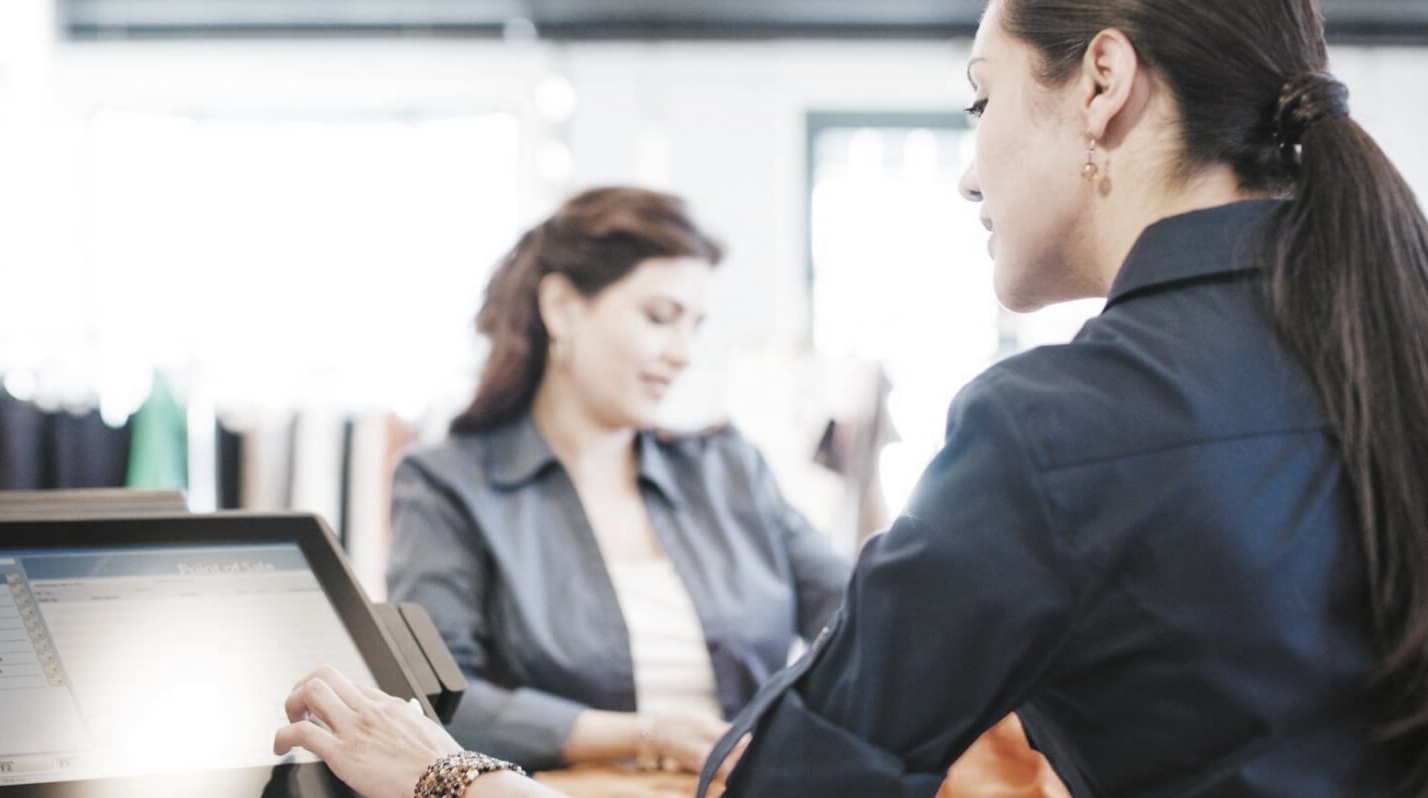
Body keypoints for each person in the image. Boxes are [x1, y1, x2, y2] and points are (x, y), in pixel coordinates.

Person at [275, 0, 1428, 793]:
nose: (968, 171)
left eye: (977, 100)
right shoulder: (1381, 349)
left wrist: (444, 782)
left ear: (1100, 83)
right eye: (656, 315)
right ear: (561, 311)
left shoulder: (1048, 428)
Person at [380, 187, 852, 774]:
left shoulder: (728, 469)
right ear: (561, 307)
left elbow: (855, 618)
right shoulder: (447, 485)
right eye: (661, 318)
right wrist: (651, 735)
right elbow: (437, 700)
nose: (684, 353)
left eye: (695, 326)